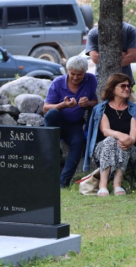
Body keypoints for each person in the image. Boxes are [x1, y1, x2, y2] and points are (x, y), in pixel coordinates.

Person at [84, 73, 136, 196]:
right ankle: (103, 186)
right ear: (112, 88)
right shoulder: (101, 109)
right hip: (102, 149)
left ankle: (117, 184)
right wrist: (121, 135)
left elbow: (135, 131)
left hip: (128, 149)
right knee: (110, 140)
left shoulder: (135, 110)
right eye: (123, 86)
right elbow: (105, 130)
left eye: (129, 86)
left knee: (122, 144)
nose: (127, 88)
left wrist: (130, 140)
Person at [43, 56, 98, 188]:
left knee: (78, 142)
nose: (75, 77)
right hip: (57, 122)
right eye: (72, 74)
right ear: (68, 70)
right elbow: (46, 108)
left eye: (79, 75)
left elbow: (96, 102)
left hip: (74, 124)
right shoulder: (58, 82)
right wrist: (63, 105)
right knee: (53, 113)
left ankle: (63, 182)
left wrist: (88, 103)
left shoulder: (91, 80)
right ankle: (54, 146)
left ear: (85, 72)